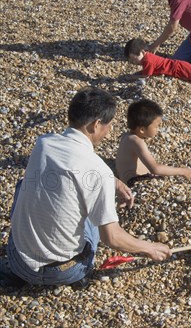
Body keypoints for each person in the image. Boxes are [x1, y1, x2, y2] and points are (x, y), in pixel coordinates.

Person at [4, 87, 171, 288]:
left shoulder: (43, 143)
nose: (109, 131)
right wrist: (149, 247)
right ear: (96, 124)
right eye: (108, 125)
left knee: (24, 185)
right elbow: (112, 237)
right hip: (64, 272)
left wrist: (114, 181)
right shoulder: (97, 170)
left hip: (18, 261)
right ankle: (80, 274)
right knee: (94, 217)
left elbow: (73, 168)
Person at [116, 99, 191, 186]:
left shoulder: (126, 136)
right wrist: (182, 171)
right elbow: (155, 169)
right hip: (135, 182)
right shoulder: (137, 142)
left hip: (125, 178)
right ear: (142, 129)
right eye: (156, 126)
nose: (158, 129)